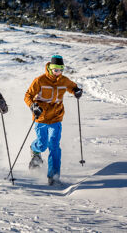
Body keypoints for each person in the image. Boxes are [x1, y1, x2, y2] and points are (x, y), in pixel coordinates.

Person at [24, 55, 83, 185]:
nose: (58, 73)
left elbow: (73, 87)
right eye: (55, 69)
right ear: (50, 68)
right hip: (41, 117)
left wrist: (77, 91)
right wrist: (33, 106)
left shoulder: (64, 80)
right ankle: (35, 150)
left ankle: (54, 177)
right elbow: (28, 95)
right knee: (42, 144)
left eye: (61, 69)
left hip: (56, 118)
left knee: (54, 146)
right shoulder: (40, 80)